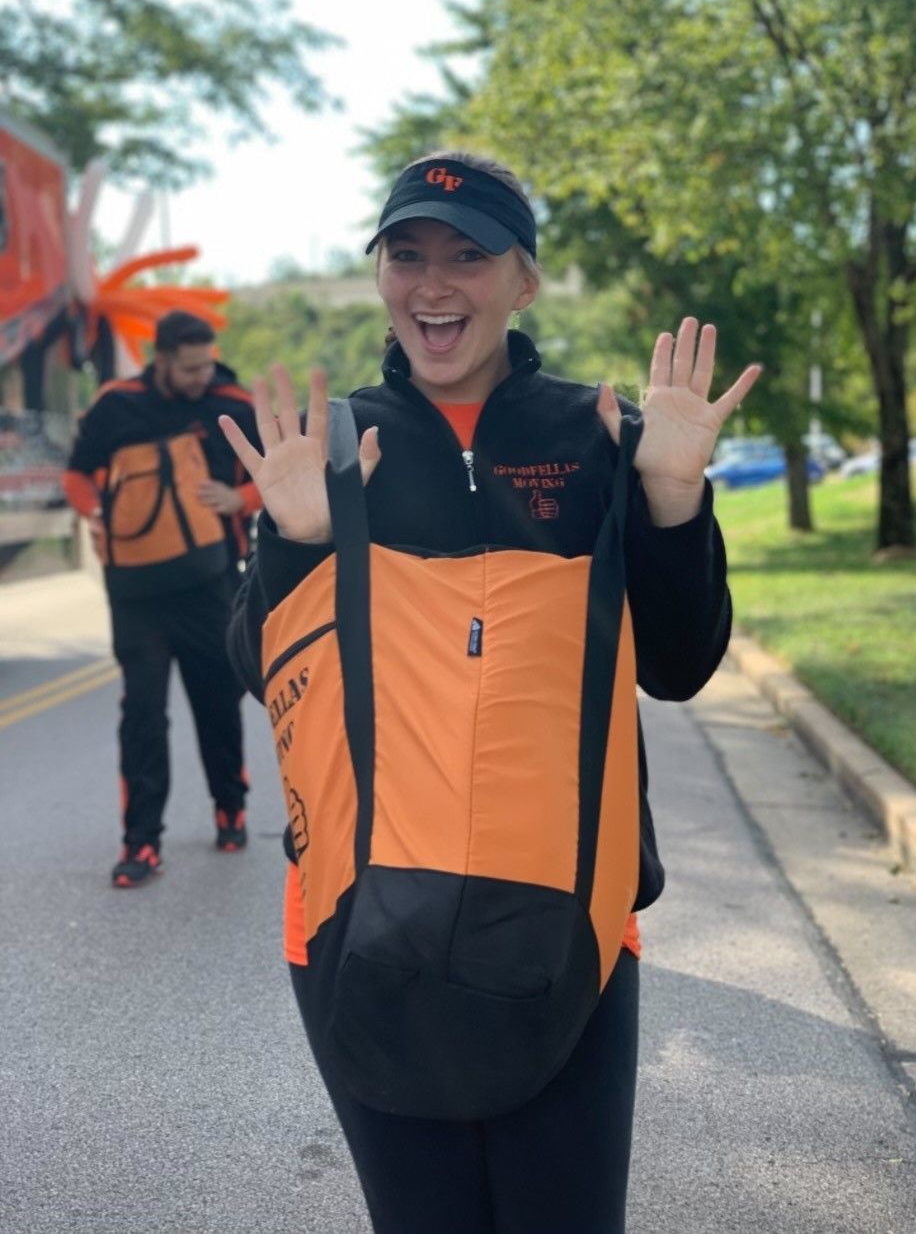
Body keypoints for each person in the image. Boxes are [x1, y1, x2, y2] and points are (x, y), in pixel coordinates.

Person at [223, 151, 760, 1234]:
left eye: (468, 257)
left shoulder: (600, 435)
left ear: (525, 279)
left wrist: (671, 500)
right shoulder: (331, 450)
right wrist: (293, 546)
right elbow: (258, 667)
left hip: (571, 922)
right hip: (356, 918)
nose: (433, 285)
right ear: (378, 275)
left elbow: (679, 661)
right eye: (407, 255)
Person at [63, 310, 262, 887]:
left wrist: (239, 497)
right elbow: (77, 475)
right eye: (191, 367)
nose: (202, 375)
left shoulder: (232, 401)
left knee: (217, 704)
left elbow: (270, 473)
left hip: (211, 583)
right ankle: (141, 844)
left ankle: (230, 806)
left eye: (207, 363)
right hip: (136, 592)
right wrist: (94, 511)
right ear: (162, 360)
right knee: (143, 715)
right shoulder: (115, 405)